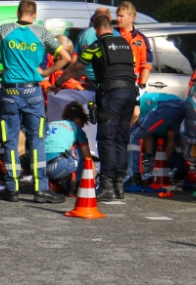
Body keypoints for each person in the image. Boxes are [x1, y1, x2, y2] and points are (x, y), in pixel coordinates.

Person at [0, 0, 71, 203]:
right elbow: (66, 57)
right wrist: (46, 71)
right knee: (37, 141)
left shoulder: (4, 30)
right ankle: (41, 189)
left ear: (18, 13)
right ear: (34, 15)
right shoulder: (41, 33)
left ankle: (12, 188)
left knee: (10, 141)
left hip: (9, 92)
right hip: (33, 91)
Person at [55, 13, 137, 201]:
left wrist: (58, 83)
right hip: (130, 94)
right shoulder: (126, 45)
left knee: (107, 138)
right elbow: (131, 69)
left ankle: (106, 185)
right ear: (110, 27)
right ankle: (118, 184)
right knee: (121, 139)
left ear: (96, 30)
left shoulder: (97, 46)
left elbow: (75, 68)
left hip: (112, 95)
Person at [42, 102, 92, 197]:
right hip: (58, 166)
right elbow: (87, 156)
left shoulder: (52, 124)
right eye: (82, 124)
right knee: (78, 149)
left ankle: (53, 185)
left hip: (40, 167)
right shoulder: (76, 128)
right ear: (78, 120)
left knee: (61, 150)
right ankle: (73, 187)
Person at [116, 1, 151, 123]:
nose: (118, 18)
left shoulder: (141, 39)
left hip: (134, 85)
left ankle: (125, 135)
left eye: (121, 16)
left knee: (135, 113)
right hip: (116, 82)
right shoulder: (114, 35)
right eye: (117, 15)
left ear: (131, 18)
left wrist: (142, 84)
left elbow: (146, 63)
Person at [74, 7, 117, 85]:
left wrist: (74, 81)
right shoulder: (116, 34)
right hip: (111, 80)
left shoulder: (83, 33)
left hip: (89, 81)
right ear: (110, 19)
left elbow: (74, 60)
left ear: (94, 18)